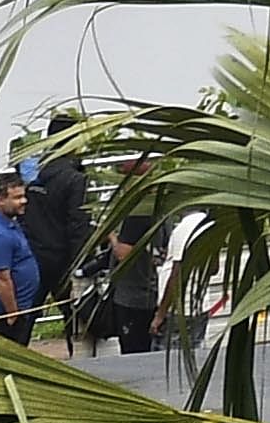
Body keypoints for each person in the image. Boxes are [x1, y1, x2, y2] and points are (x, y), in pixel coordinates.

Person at [18, 113, 91, 336]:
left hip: (33, 254)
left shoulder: (31, 170)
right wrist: (81, 264)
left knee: (26, 315)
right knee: (76, 315)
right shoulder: (74, 178)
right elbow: (77, 223)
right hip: (61, 259)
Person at [82, 214, 163, 357]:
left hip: (131, 295)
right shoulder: (158, 214)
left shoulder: (136, 217)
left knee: (133, 350)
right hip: (149, 290)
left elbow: (123, 254)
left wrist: (111, 236)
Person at [0, 173, 41, 343]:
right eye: (17, 197)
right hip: (5, 315)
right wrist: (13, 314)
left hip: (20, 308)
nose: (24, 201)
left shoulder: (9, 222)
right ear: (1, 200)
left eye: (23, 196)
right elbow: (2, 280)